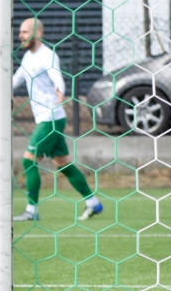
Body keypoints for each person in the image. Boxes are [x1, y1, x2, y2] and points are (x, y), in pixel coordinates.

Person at [9, 17, 102, 222]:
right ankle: (93, 202)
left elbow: (56, 75)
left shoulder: (48, 55)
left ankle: (31, 211)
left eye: (25, 32)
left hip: (50, 119)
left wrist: (60, 89)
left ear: (38, 33)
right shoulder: (27, 58)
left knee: (29, 161)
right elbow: (15, 80)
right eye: (20, 32)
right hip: (50, 119)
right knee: (64, 165)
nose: (20, 35)